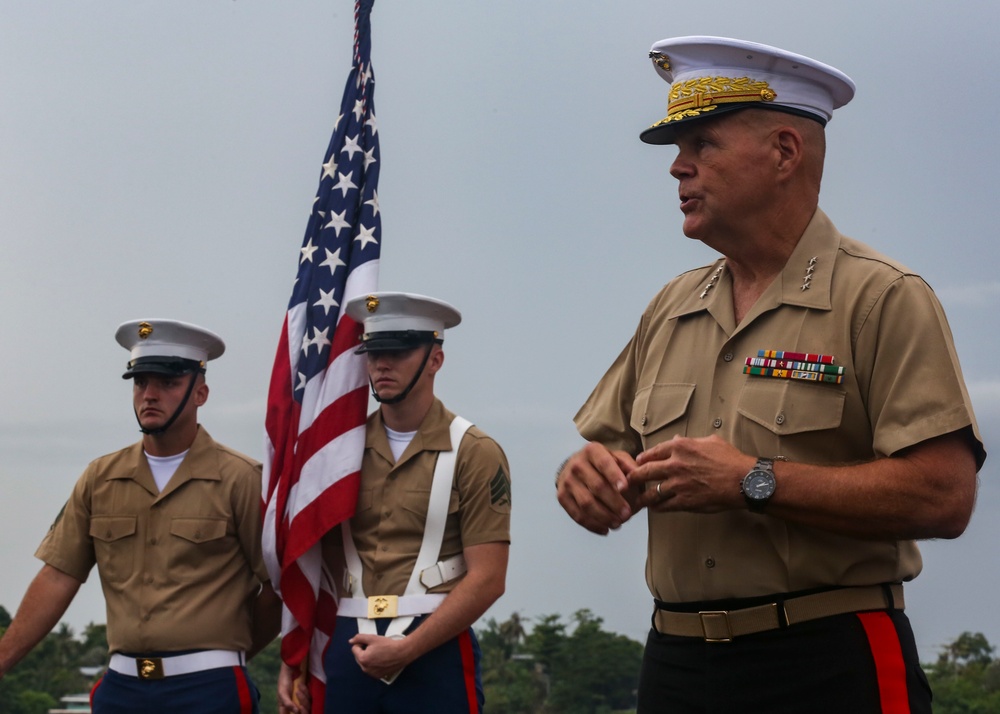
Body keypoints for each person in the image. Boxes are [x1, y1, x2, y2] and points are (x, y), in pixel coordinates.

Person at [555, 36, 985, 714]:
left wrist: (752, 480)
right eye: (678, 150)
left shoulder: (882, 298)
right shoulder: (671, 306)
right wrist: (588, 477)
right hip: (675, 662)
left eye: (702, 145)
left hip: (825, 661)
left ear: (784, 152)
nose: (678, 168)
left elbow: (944, 496)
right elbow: (611, 451)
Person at [0, 319, 281, 713]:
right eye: (140, 382)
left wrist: (226, 656)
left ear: (200, 393)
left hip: (209, 690)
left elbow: (279, 589)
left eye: (167, 383)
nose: (150, 394)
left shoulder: (242, 479)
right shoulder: (101, 478)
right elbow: (58, 576)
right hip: (122, 689)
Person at [278, 292, 511, 714]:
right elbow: (315, 562)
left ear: (435, 360)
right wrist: (294, 662)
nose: (382, 364)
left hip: (435, 647)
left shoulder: (474, 451)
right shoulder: (338, 454)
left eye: (398, 351)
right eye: (374, 352)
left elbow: (488, 579)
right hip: (350, 645)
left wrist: (407, 649)